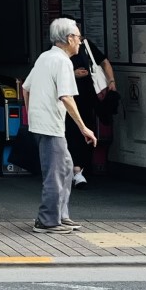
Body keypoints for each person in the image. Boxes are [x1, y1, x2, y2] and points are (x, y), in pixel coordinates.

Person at [21, 18, 97, 234]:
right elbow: (66, 97)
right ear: (69, 38)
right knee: (55, 173)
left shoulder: (45, 57)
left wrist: (33, 114)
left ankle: (61, 216)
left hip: (44, 124)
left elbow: (26, 88)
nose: (81, 42)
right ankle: (47, 220)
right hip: (52, 126)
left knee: (64, 169)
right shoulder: (63, 62)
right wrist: (84, 127)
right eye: (79, 37)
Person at [66, 28, 116, 185]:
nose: (79, 39)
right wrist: (73, 74)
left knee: (87, 131)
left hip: (88, 97)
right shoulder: (56, 53)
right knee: (72, 133)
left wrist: (111, 82)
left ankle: (80, 169)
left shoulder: (86, 45)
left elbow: (104, 62)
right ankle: (75, 170)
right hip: (68, 98)